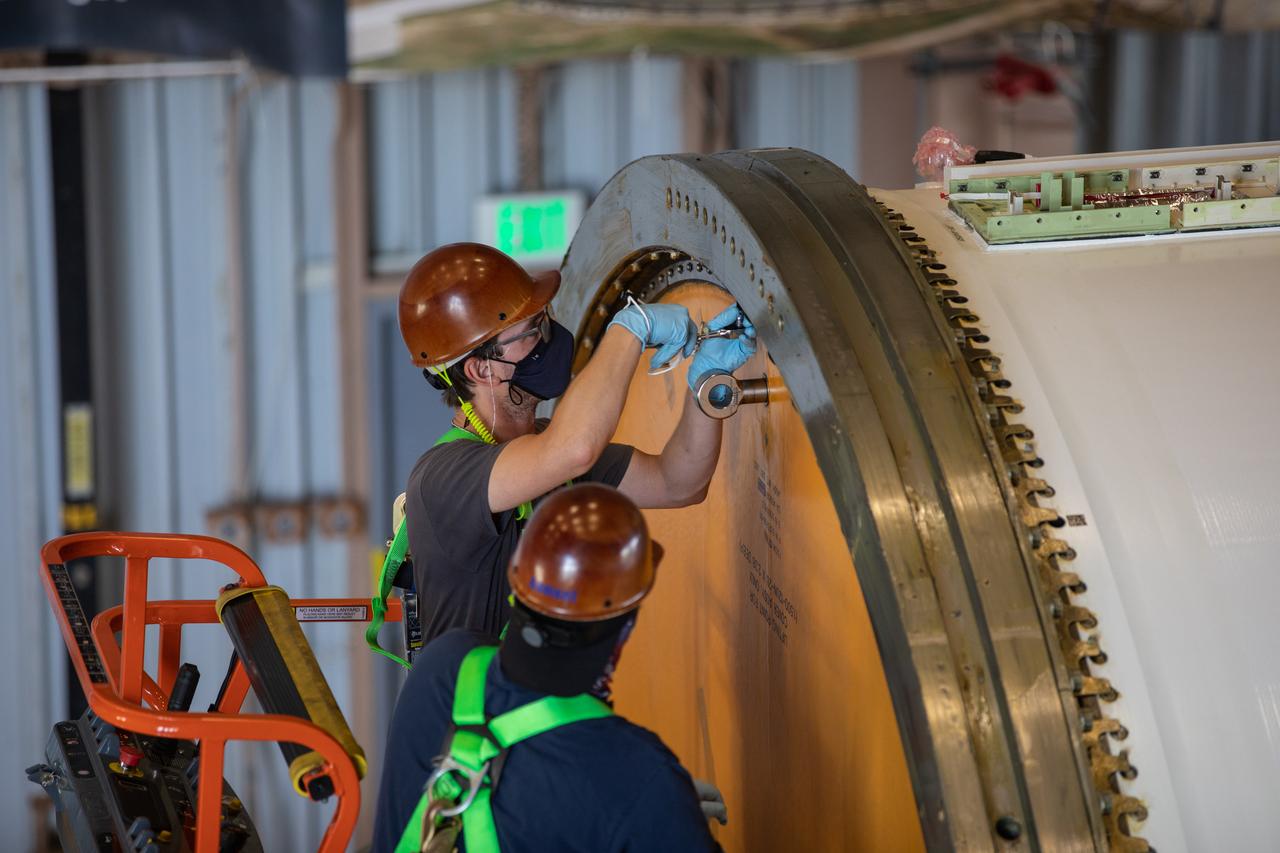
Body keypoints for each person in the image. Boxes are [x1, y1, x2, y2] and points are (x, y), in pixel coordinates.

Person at [397, 243, 755, 643]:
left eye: (544, 319)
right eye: (534, 331)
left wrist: (708, 382)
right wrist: (631, 328)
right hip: (482, 707)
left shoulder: (547, 447)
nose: (550, 338)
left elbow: (679, 482)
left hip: (537, 699)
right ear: (482, 369)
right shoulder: (444, 477)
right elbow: (573, 450)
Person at [373, 483, 723, 853]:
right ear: (624, 630)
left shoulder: (443, 668)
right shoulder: (638, 774)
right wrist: (662, 818)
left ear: (518, 584)